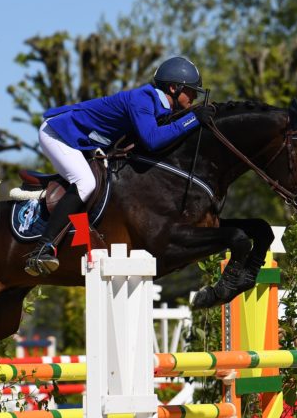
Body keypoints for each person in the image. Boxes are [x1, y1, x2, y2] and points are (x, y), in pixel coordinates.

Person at [24, 56, 215, 276]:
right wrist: (192, 119)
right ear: (173, 88)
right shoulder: (142, 99)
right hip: (58, 134)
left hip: (85, 141)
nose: (193, 97)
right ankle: (44, 247)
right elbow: (153, 140)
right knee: (85, 182)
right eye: (191, 91)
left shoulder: (160, 107)